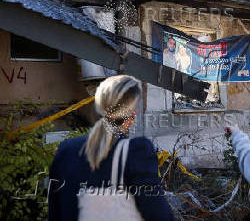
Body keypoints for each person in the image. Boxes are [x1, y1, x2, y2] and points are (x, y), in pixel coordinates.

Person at [49, 75, 174, 221]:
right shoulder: (136, 152)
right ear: (133, 114)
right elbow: (157, 213)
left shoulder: (66, 151)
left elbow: (54, 212)